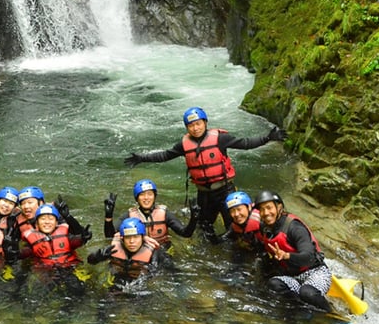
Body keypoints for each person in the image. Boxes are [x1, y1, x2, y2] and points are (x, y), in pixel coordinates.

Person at [123, 106, 287, 240]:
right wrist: (141, 158)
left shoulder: (220, 139)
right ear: (187, 127)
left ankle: (238, 252)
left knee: (235, 225)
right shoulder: (183, 144)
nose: (195, 128)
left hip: (225, 191)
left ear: (205, 123)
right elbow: (165, 155)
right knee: (203, 227)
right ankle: (211, 252)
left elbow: (246, 143)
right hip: (204, 193)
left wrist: (268, 137)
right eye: (191, 125)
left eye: (198, 124)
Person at [253, 190, 332, 312]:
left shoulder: (294, 227)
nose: (266, 213)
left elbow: (309, 257)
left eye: (269, 208)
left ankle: (332, 314)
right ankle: (299, 310)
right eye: (262, 210)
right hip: (294, 276)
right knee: (274, 284)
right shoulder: (265, 228)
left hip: (315, 271)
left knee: (307, 292)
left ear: (279, 207)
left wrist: (287, 256)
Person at [103, 179, 199, 250]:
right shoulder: (130, 215)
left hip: (163, 249)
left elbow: (185, 233)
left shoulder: (164, 213)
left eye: (149, 194)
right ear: (137, 198)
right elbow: (110, 236)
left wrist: (194, 219)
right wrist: (108, 216)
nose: (146, 198)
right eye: (142, 194)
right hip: (139, 250)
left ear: (154, 196)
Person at [19, 203, 92, 295]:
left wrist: (83, 237)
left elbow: (77, 240)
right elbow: (22, 254)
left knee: (78, 290)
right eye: (43, 219)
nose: (47, 222)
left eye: (51, 219)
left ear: (57, 223)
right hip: (46, 271)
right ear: (37, 223)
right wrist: (11, 249)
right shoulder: (31, 240)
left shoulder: (66, 235)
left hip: (69, 267)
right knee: (38, 293)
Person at [88, 217, 173, 289]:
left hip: (141, 286)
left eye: (136, 237)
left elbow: (168, 270)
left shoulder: (154, 253)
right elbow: (90, 262)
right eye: (128, 237)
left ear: (143, 238)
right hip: (117, 281)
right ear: (122, 238)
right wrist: (96, 257)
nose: (132, 241)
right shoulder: (113, 249)